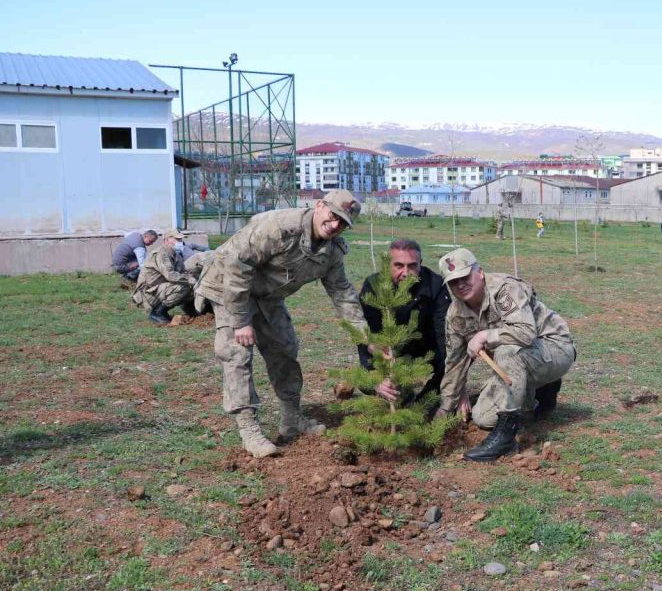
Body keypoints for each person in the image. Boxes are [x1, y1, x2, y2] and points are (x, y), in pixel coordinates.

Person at [194, 189, 367, 458]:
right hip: (228, 286)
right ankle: (249, 429)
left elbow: (342, 293)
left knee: (284, 349)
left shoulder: (330, 251)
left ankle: (291, 419)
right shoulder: (278, 228)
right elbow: (237, 267)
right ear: (320, 206)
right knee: (237, 354)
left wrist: (366, 338)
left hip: (267, 295)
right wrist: (241, 322)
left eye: (343, 223)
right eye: (333, 216)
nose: (335, 226)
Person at [435, 248, 575, 462]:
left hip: (554, 348)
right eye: (453, 282)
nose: (460, 285)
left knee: (506, 350)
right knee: (483, 418)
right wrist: (445, 410)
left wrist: (485, 335)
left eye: (464, 277)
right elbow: (454, 362)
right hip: (520, 361)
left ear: (479, 272)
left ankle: (506, 439)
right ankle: (532, 396)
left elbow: (526, 333)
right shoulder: (455, 314)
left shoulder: (504, 289)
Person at [357, 239, 450, 404]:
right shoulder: (374, 286)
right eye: (399, 266)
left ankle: (428, 398)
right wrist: (375, 377)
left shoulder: (435, 285)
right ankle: (401, 394)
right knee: (368, 383)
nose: (406, 273)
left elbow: (444, 334)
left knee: (451, 359)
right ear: (388, 265)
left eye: (412, 266)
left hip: (426, 349)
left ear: (420, 264)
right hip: (390, 352)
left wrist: (452, 381)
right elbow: (366, 334)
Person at [131, 229, 195, 325]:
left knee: (191, 287)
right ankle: (157, 313)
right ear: (166, 240)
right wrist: (191, 279)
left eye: (180, 240)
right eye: (176, 239)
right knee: (183, 287)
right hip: (149, 292)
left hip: (159, 288)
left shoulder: (175, 255)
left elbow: (182, 272)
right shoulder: (161, 253)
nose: (179, 242)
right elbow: (170, 275)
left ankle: (191, 311)